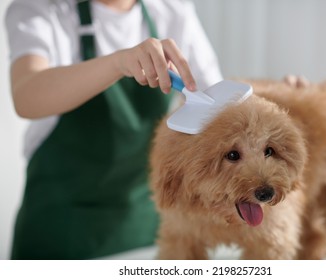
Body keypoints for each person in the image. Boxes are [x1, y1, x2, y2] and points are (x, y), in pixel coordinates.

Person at [5, 0, 222, 259]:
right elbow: (27, 96)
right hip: (60, 233)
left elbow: (216, 101)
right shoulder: (42, 10)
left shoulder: (170, 10)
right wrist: (118, 63)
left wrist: (277, 99)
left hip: (143, 224)